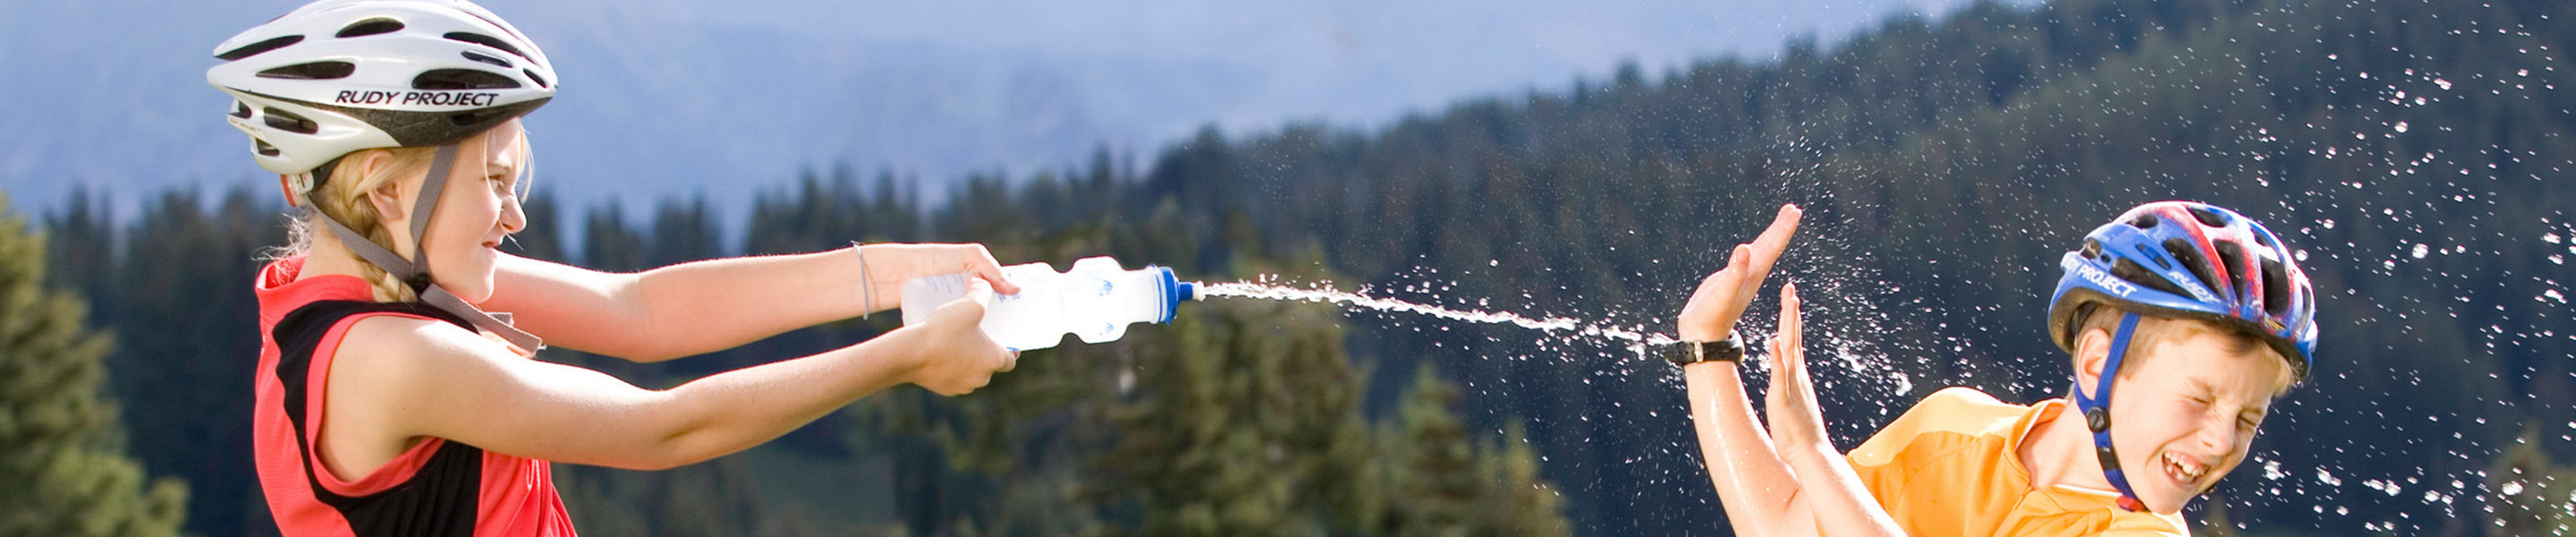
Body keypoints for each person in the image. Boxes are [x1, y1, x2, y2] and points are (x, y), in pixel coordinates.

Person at [210, 1, 1023, 534]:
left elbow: (641, 313)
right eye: (491, 179)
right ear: (386, 191)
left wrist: (884, 274)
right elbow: (662, 430)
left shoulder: (380, 297)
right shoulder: (390, 358)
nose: (514, 215)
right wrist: (906, 358)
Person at [1669, 201, 2318, 535]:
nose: (2221, 440)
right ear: (2097, 363)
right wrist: (1709, 348)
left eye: (2248, 418)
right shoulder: (1953, 426)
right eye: (2199, 399)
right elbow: (1786, 526)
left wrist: (1814, 454)